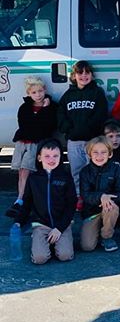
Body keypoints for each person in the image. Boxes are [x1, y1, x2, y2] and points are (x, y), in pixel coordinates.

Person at [13, 139, 76, 265]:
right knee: (39, 258)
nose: (51, 159)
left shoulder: (66, 177)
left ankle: (57, 241)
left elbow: (71, 205)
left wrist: (60, 227)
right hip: (41, 225)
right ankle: (40, 241)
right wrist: (19, 221)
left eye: (55, 156)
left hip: (61, 225)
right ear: (39, 157)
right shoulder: (33, 178)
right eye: (47, 156)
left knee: (65, 255)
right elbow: (27, 202)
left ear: (60, 157)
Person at [7, 76, 58, 219]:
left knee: (27, 170)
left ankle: (22, 198)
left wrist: (45, 110)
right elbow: (25, 124)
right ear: (29, 93)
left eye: (40, 91)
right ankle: (20, 198)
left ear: (45, 90)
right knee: (21, 170)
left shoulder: (52, 107)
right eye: (34, 92)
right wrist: (39, 118)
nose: (38, 95)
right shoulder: (24, 107)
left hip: (36, 143)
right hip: (22, 142)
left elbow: (49, 125)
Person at [57, 60, 108, 194]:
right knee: (77, 171)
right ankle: (79, 196)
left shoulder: (97, 93)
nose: (84, 76)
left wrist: (89, 128)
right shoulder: (68, 95)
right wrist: (68, 128)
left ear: (92, 75)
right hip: (74, 141)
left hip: (92, 141)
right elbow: (60, 114)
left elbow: (101, 114)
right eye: (80, 73)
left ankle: (94, 196)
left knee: (94, 169)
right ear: (74, 76)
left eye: (87, 72)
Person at [79, 136, 120, 252]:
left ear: (110, 154)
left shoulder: (116, 170)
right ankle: (97, 229)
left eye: (103, 152)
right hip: (91, 211)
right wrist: (101, 197)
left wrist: (108, 200)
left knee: (110, 207)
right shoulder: (85, 172)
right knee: (87, 246)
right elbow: (85, 194)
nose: (99, 156)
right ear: (90, 154)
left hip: (109, 208)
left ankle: (106, 236)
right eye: (95, 152)